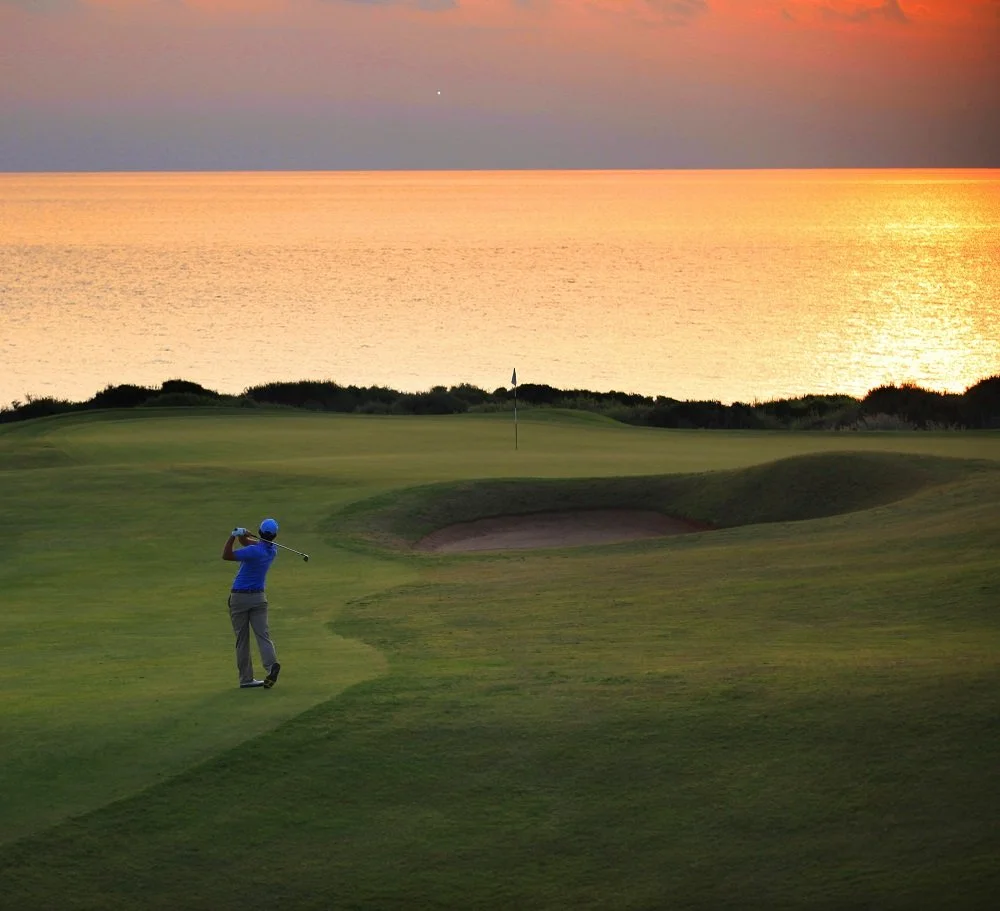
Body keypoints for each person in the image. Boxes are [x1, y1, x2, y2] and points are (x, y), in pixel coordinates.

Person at [222, 518, 282, 690]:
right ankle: (271, 667)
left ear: (260, 531)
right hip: (259, 598)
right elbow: (252, 544)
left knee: (242, 640)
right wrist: (244, 535)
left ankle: (246, 679)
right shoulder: (272, 551)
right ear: (274, 536)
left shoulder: (252, 551)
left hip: (240, 598)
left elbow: (226, 555)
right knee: (263, 635)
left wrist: (232, 536)